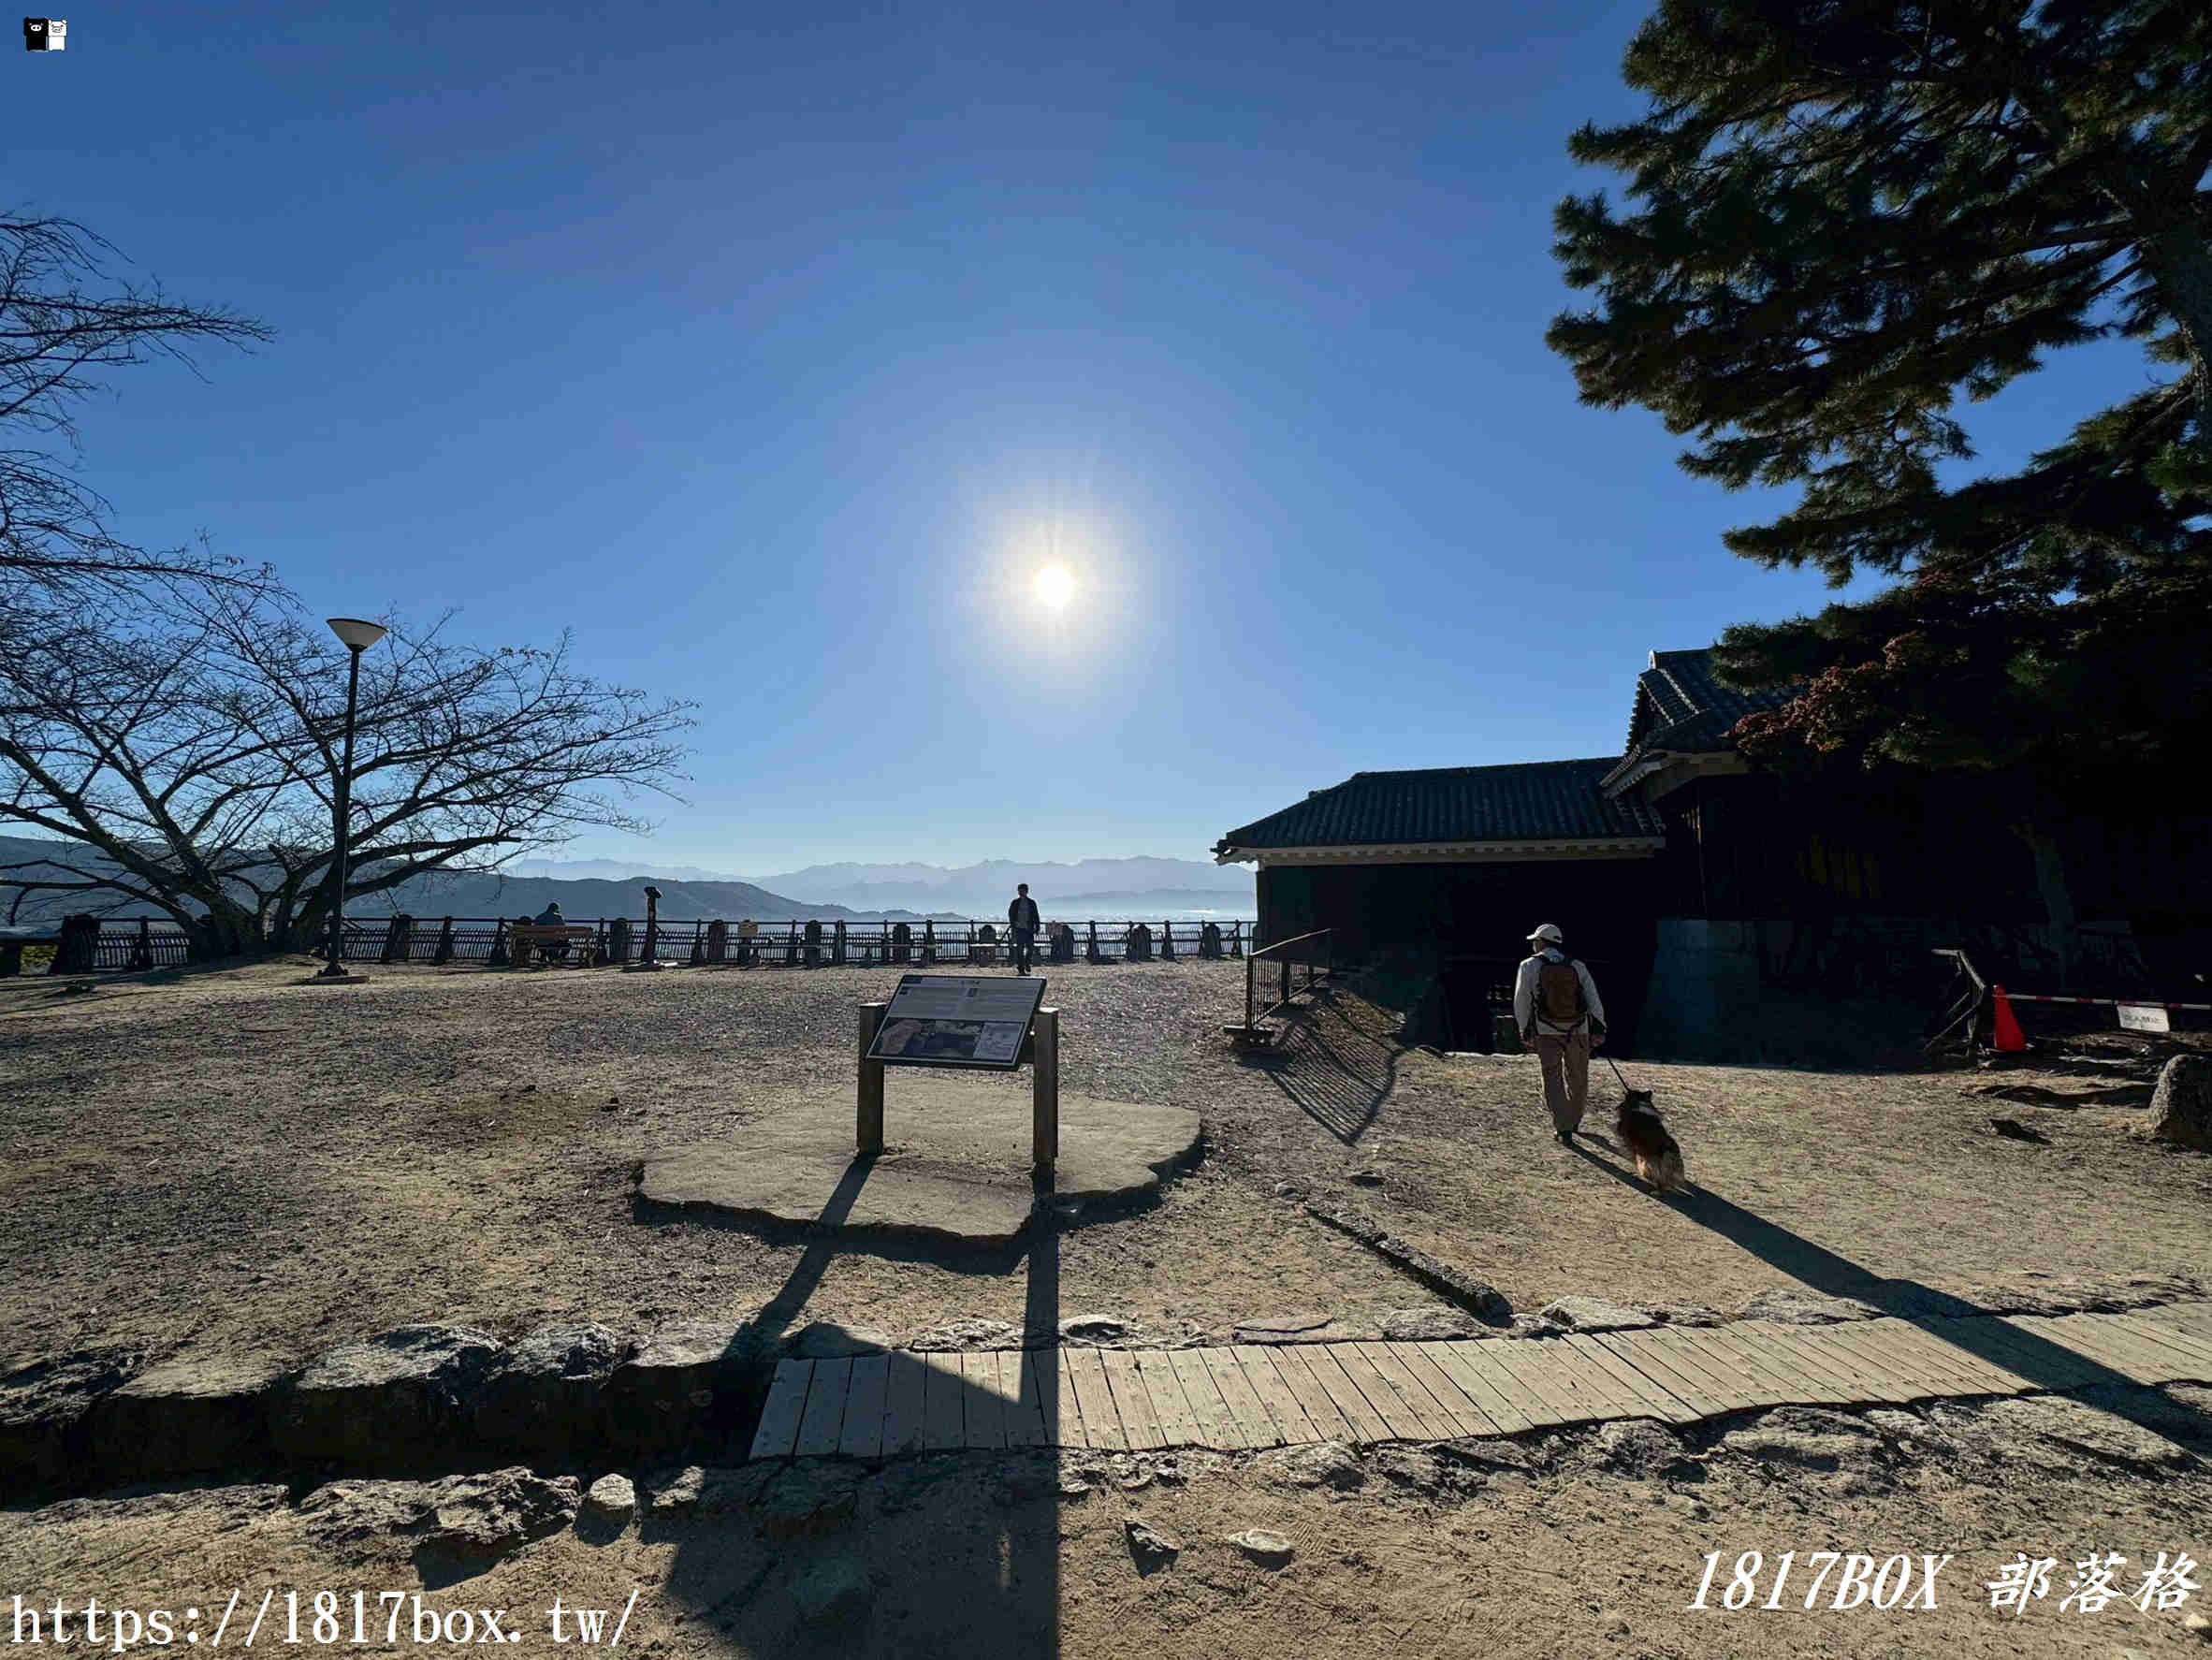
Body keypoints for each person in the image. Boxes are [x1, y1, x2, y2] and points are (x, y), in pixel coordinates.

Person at [1512, 923, 1607, 1145]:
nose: (1533, 944)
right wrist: (1599, 1026)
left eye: (1535, 941)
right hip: (1578, 1030)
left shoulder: (1528, 966)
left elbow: (1521, 1001)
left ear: (1541, 942)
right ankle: (1574, 1121)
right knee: (1578, 1077)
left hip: (1546, 1031)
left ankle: (1563, 1128)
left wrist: (1524, 1029)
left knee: (1552, 1077)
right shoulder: (1577, 966)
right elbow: (1593, 998)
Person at [1007, 882, 1041, 975]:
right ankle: (1021, 968)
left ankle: (1027, 963)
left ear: (1026, 891)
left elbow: (1036, 915)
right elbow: (1011, 914)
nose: (1021, 892)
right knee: (1020, 950)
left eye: (1023, 890)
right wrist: (1014, 924)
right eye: (1020, 891)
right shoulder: (1015, 902)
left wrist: (1037, 927)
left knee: (1030, 948)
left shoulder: (1031, 903)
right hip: (1019, 929)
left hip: (1029, 929)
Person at [534, 899, 570, 963]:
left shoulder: (539, 917)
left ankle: (544, 955)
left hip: (539, 943)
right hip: (553, 942)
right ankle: (561, 958)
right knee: (568, 945)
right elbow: (563, 930)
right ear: (556, 909)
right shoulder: (558, 917)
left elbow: (535, 930)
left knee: (545, 942)